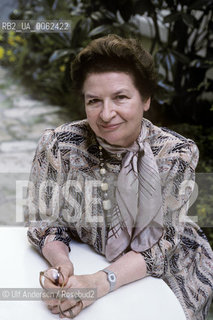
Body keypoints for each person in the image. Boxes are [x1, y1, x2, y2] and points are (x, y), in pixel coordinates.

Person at [26, 34, 213, 320]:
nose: (106, 114)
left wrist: (97, 283)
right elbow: (44, 221)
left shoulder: (176, 154)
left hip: (166, 266)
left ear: (146, 99)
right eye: (94, 101)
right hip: (83, 252)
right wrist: (62, 264)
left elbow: (159, 248)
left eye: (121, 97)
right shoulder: (58, 145)